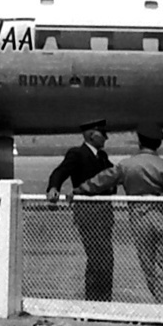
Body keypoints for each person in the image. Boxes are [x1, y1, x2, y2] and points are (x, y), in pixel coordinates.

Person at [75, 122, 163, 303]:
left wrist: (81, 189)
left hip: (139, 216)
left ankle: (160, 299)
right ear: (158, 144)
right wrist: (162, 195)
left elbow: (102, 180)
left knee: (147, 262)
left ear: (139, 142)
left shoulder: (127, 165)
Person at [46, 119, 115, 301]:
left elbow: (113, 176)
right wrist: (54, 188)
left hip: (104, 213)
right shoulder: (77, 154)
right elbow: (60, 172)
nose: (106, 138)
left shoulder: (102, 157)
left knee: (107, 257)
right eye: (103, 134)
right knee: (96, 256)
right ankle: (93, 299)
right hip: (88, 214)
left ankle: (104, 298)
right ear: (92, 135)